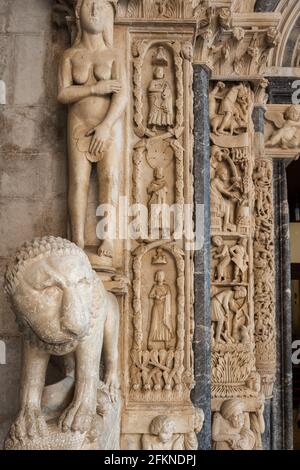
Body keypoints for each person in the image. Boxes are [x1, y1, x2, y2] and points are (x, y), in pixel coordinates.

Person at [58, 0, 127, 266]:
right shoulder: (70, 55)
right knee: (78, 181)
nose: (95, 11)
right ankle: (77, 239)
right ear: (78, 13)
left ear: (110, 13)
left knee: (109, 177)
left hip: (108, 125)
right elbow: (62, 93)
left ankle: (106, 237)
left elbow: (122, 98)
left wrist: (106, 125)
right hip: (78, 124)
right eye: (89, 6)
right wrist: (94, 89)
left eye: (101, 6)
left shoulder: (114, 56)